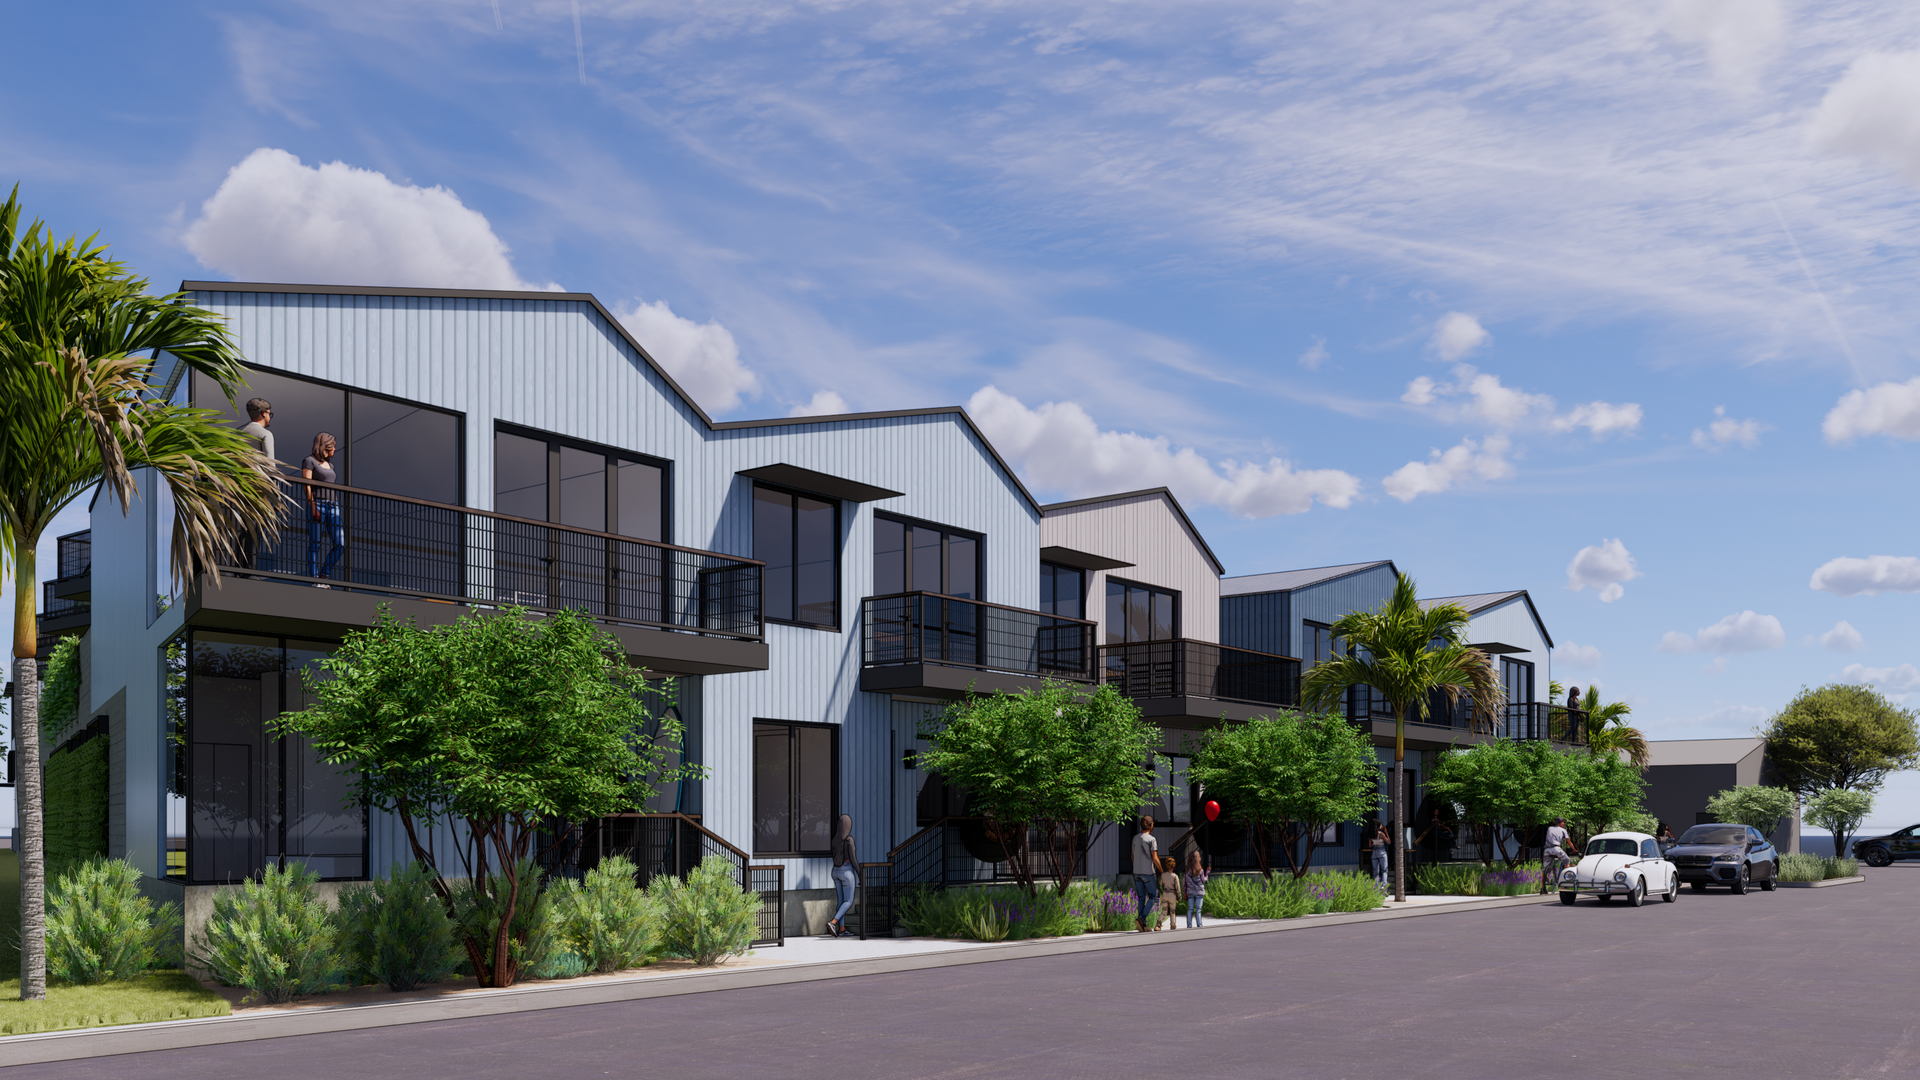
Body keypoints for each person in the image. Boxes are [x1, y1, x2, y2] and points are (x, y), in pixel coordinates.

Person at [237, 399, 274, 570]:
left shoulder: (238, 433)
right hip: (258, 488)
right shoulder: (265, 434)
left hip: (238, 487)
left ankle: (237, 566)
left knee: (240, 527)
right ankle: (250, 568)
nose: (270, 417)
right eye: (270, 414)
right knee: (255, 528)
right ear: (263, 413)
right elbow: (270, 465)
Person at [302, 433, 344, 583]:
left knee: (340, 544)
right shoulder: (309, 461)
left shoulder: (331, 465)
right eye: (333, 445)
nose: (335, 448)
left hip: (333, 506)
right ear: (326, 446)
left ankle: (324, 574)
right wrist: (312, 505)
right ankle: (314, 579)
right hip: (318, 503)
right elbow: (307, 485)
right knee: (315, 544)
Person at [827, 814, 857, 938]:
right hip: (846, 871)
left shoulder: (835, 839)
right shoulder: (849, 840)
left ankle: (842, 929)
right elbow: (853, 859)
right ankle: (833, 922)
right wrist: (860, 873)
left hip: (835, 871)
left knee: (841, 901)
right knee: (848, 901)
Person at [1130, 816, 1159, 933]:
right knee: (1153, 896)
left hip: (1136, 872)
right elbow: (1155, 858)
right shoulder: (1151, 839)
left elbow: (1132, 856)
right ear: (1151, 826)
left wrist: (1136, 866)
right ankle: (1141, 918)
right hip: (1148, 873)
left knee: (1141, 897)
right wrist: (1162, 870)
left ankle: (1143, 925)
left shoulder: (1135, 838)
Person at [1542, 816, 1571, 894]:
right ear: (1559, 823)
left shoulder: (1549, 828)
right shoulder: (1563, 830)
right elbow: (1568, 842)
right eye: (1563, 822)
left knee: (1545, 869)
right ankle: (1563, 883)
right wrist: (1574, 849)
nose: (1564, 823)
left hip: (1547, 850)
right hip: (1556, 849)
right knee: (1567, 861)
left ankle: (1543, 889)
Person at [1182, 850, 1210, 929]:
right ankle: (1199, 925)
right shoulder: (1200, 870)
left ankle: (1189, 925)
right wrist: (1207, 873)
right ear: (1198, 859)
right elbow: (1204, 880)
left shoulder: (1187, 871)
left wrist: (1184, 892)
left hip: (1190, 893)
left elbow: (1184, 882)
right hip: (1199, 892)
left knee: (1190, 909)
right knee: (1198, 910)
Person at [1157, 856, 1180, 930]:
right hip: (1172, 895)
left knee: (1164, 911)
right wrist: (1179, 897)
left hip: (1165, 894)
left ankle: (1158, 925)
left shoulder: (1163, 875)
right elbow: (1178, 888)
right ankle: (1173, 925)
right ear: (1174, 866)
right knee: (1172, 911)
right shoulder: (1175, 876)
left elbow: (1160, 884)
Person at [1370, 822, 1390, 889]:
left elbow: (1370, 845)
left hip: (1374, 852)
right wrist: (1386, 832)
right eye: (1381, 825)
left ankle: (1376, 887)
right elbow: (1388, 842)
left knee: (1375, 871)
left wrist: (1374, 844)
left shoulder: (1370, 834)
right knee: (1384, 870)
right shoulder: (1381, 834)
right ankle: (1384, 888)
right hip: (1382, 851)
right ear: (1378, 826)